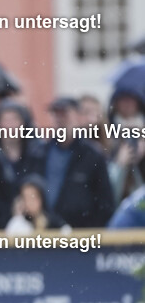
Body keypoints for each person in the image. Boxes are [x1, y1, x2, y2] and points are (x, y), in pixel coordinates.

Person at [36, 97, 114, 227]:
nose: (60, 119)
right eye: (56, 114)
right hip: (45, 231)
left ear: (78, 117)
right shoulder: (40, 152)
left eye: (65, 114)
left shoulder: (93, 155)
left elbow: (105, 201)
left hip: (81, 233)